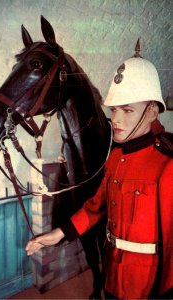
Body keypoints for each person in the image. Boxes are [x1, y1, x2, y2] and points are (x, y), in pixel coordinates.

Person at [26, 42, 173, 299]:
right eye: (114, 109)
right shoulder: (116, 158)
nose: (116, 119)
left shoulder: (167, 163)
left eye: (128, 110)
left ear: (151, 112)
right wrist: (57, 234)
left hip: (145, 288)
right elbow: (96, 207)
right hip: (112, 278)